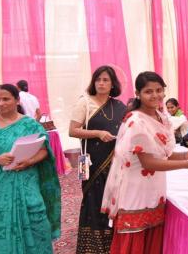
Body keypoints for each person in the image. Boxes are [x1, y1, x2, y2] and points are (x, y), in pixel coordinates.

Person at [101, 71, 188, 254]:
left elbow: (162, 154)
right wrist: (187, 165)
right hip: (135, 192)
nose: (155, 95)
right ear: (138, 94)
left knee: (151, 242)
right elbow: (149, 163)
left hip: (154, 190)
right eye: (148, 91)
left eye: (159, 90)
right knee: (134, 242)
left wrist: (186, 155)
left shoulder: (161, 116)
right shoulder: (136, 121)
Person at [0, 84, 61, 253]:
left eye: (6, 99)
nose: (0, 103)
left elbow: (44, 150)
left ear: (17, 100)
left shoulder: (30, 124)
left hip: (27, 184)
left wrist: (29, 161)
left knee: (36, 221)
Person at [69, 65, 127, 254]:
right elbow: (73, 130)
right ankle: (92, 248)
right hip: (93, 164)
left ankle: (113, 245)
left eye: (105, 80)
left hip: (116, 163)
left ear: (112, 84)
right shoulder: (84, 102)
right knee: (94, 203)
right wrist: (97, 133)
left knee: (114, 202)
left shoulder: (119, 106)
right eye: (98, 79)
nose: (101, 83)